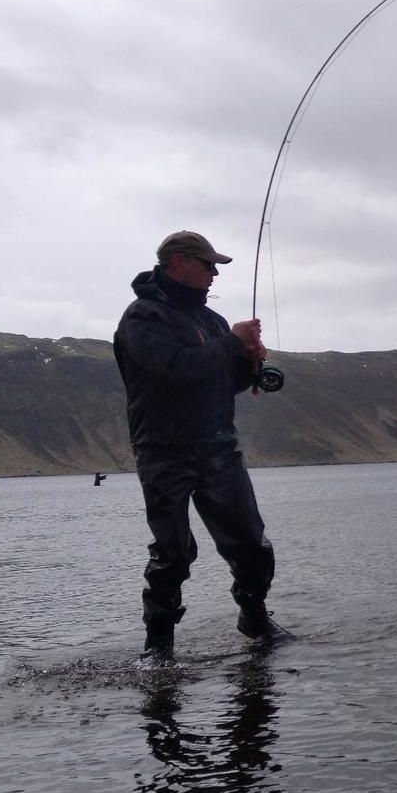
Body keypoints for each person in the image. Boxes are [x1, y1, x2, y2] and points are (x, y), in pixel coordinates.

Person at [114, 230, 289, 660]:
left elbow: (222, 382)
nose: (214, 274)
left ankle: (253, 615)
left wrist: (250, 363)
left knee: (250, 544)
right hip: (163, 451)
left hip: (218, 449)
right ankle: (158, 650)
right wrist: (232, 342)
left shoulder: (209, 322)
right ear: (178, 262)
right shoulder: (142, 319)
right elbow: (174, 369)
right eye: (208, 264)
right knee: (172, 553)